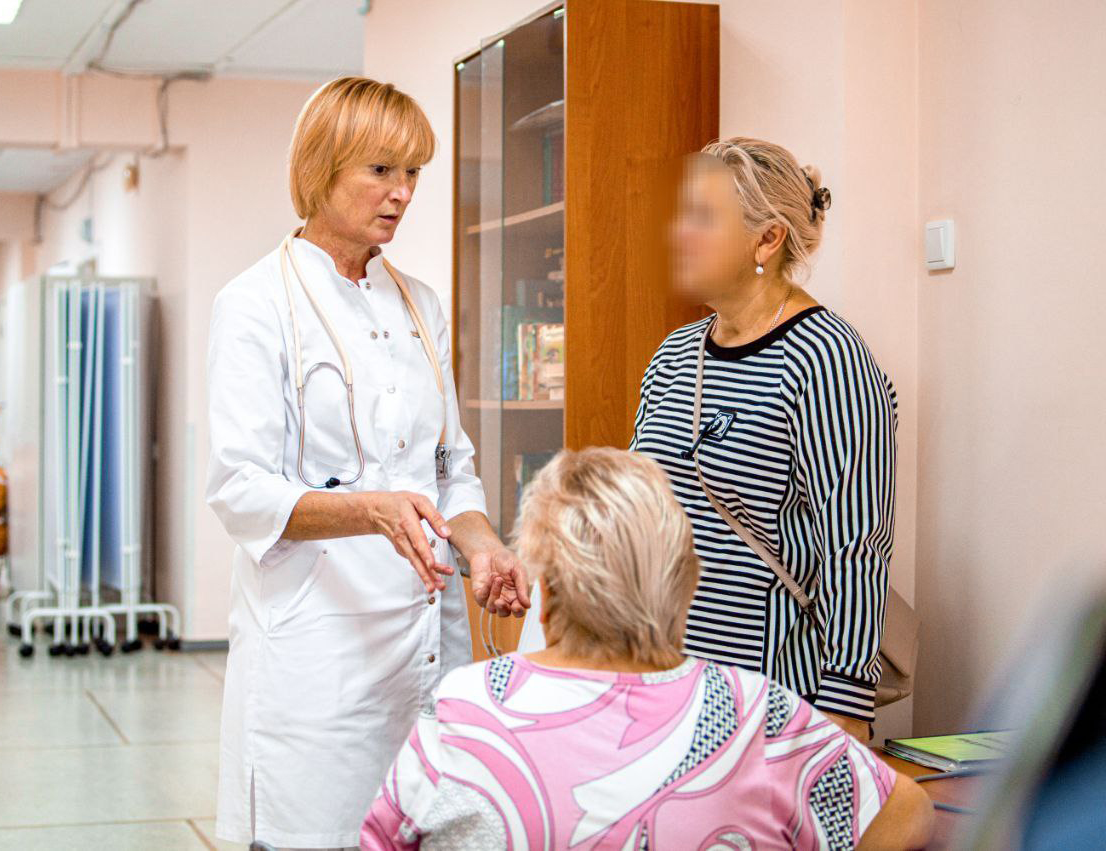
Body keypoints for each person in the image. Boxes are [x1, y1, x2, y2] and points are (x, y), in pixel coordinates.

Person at [206, 76, 529, 850]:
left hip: (424, 636)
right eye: (381, 170)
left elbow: (449, 465)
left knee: (426, 826)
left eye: (413, 171)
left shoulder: (419, 303)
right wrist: (371, 509)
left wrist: (485, 546)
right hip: (317, 650)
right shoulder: (256, 303)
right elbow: (240, 487)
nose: (403, 192)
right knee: (319, 830)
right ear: (321, 168)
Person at [363, 448, 933, 848]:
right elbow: (909, 819)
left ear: (547, 594)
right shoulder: (756, 712)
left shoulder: (464, 708)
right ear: (685, 584)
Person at [625, 138, 898, 740]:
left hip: (770, 699)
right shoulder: (674, 354)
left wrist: (846, 710)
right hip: (663, 684)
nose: (677, 233)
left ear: (767, 240)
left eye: (702, 217)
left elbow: (857, 546)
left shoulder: (829, 360)